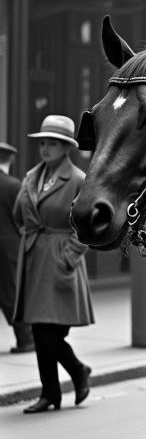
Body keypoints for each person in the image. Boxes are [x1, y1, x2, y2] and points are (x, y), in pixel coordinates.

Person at [14, 114, 94, 413]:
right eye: (43, 143)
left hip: (61, 260)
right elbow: (18, 215)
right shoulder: (31, 177)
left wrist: (68, 258)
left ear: (66, 148)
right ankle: (50, 394)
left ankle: (77, 370)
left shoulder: (78, 180)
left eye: (53, 143)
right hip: (35, 258)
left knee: (50, 333)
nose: (45, 148)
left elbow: (86, 228)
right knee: (38, 330)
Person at [0, 142, 34, 352]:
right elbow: (26, 219)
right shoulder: (15, 185)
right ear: (10, 160)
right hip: (9, 248)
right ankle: (26, 338)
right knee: (11, 294)